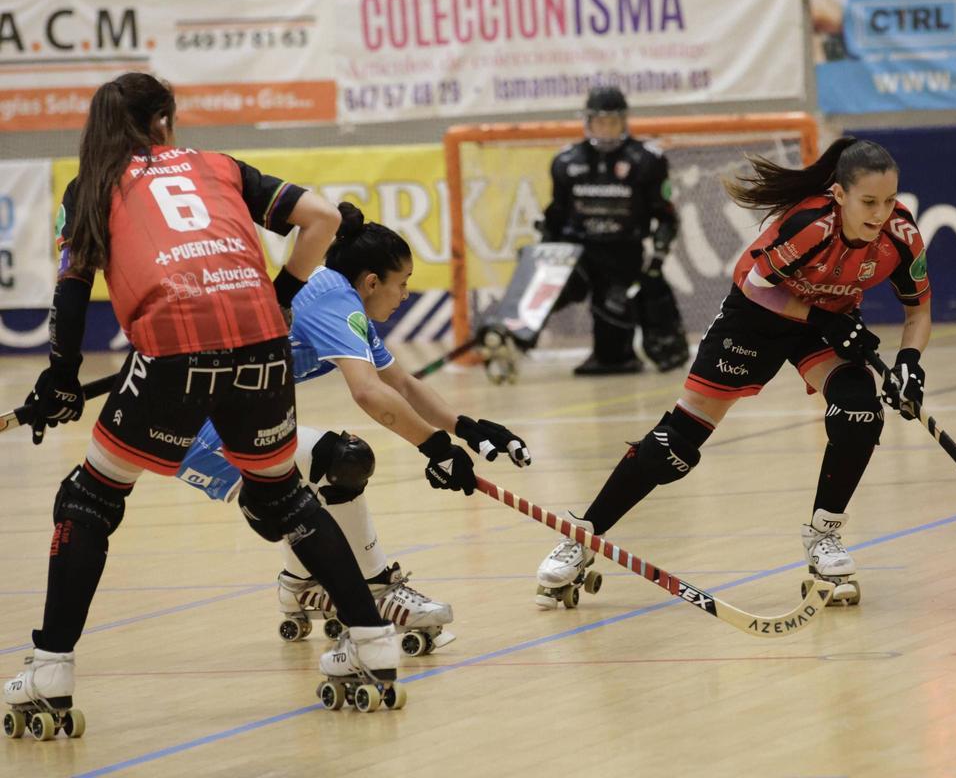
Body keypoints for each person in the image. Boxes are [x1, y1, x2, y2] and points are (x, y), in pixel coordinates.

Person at [2, 73, 399, 738]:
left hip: (174, 350)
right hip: (263, 343)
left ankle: (50, 668)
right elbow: (323, 219)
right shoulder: (219, 166)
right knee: (286, 497)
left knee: (90, 496)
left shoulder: (90, 187)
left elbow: (72, 293)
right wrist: (276, 296)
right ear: (162, 122)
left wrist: (60, 381)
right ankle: (372, 641)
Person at [531, 138, 932, 609]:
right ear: (840, 195)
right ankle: (582, 536)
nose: (881, 212)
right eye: (869, 201)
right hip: (758, 316)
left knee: (859, 410)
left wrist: (909, 364)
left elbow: (918, 310)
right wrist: (826, 319)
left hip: (824, 325)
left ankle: (825, 538)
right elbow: (755, 285)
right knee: (675, 446)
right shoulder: (809, 224)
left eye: (889, 200)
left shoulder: (900, 236)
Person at [174, 202, 532, 656]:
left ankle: (300, 583)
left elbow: (400, 382)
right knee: (340, 460)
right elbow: (366, 393)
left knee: (312, 474)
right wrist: (435, 447)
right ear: (371, 282)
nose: (404, 295)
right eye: (402, 284)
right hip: (199, 431)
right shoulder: (335, 302)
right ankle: (379, 588)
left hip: (228, 421)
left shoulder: (338, 295)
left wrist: (467, 429)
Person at [537, 86, 687, 375]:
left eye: (612, 122)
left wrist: (655, 260)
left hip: (624, 253)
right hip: (576, 252)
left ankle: (617, 353)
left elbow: (666, 216)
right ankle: (506, 339)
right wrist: (544, 250)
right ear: (588, 122)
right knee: (539, 289)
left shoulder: (647, 160)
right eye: (600, 122)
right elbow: (555, 214)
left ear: (624, 121)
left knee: (615, 336)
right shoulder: (566, 161)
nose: (605, 129)